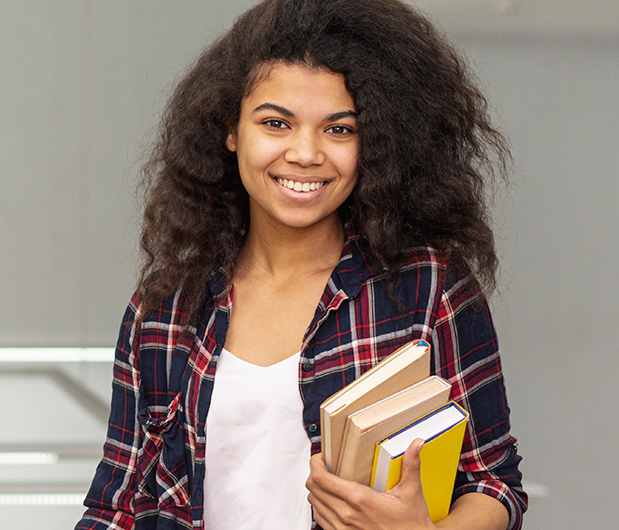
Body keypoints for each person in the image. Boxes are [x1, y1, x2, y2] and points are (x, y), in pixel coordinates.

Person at [73, 1, 526, 529]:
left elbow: (494, 484)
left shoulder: (428, 289)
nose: (305, 153)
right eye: (276, 123)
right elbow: (117, 508)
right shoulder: (163, 310)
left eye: (339, 130)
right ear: (231, 130)